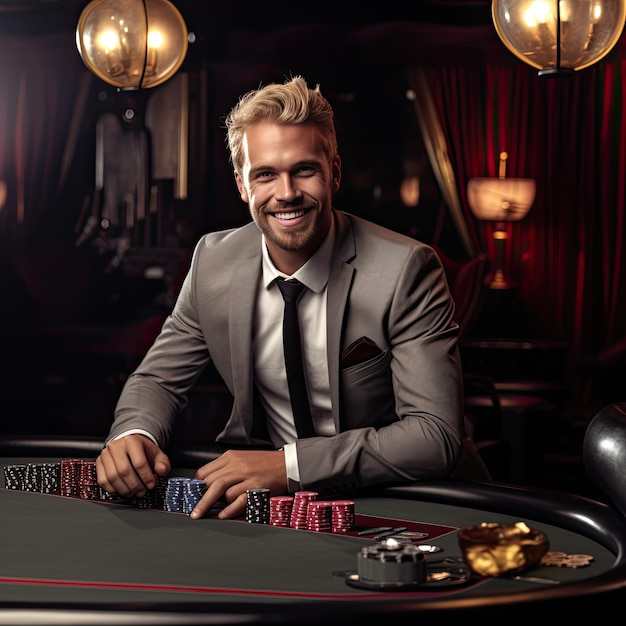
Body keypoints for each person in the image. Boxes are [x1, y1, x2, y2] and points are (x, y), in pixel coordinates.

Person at [96, 75, 486, 521]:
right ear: (243, 186)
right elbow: (158, 380)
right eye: (265, 174)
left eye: (304, 170)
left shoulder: (405, 269)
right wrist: (133, 433)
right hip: (282, 509)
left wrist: (289, 466)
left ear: (334, 173)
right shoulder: (213, 261)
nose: (286, 193)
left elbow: (434, 435)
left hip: (416, 502)